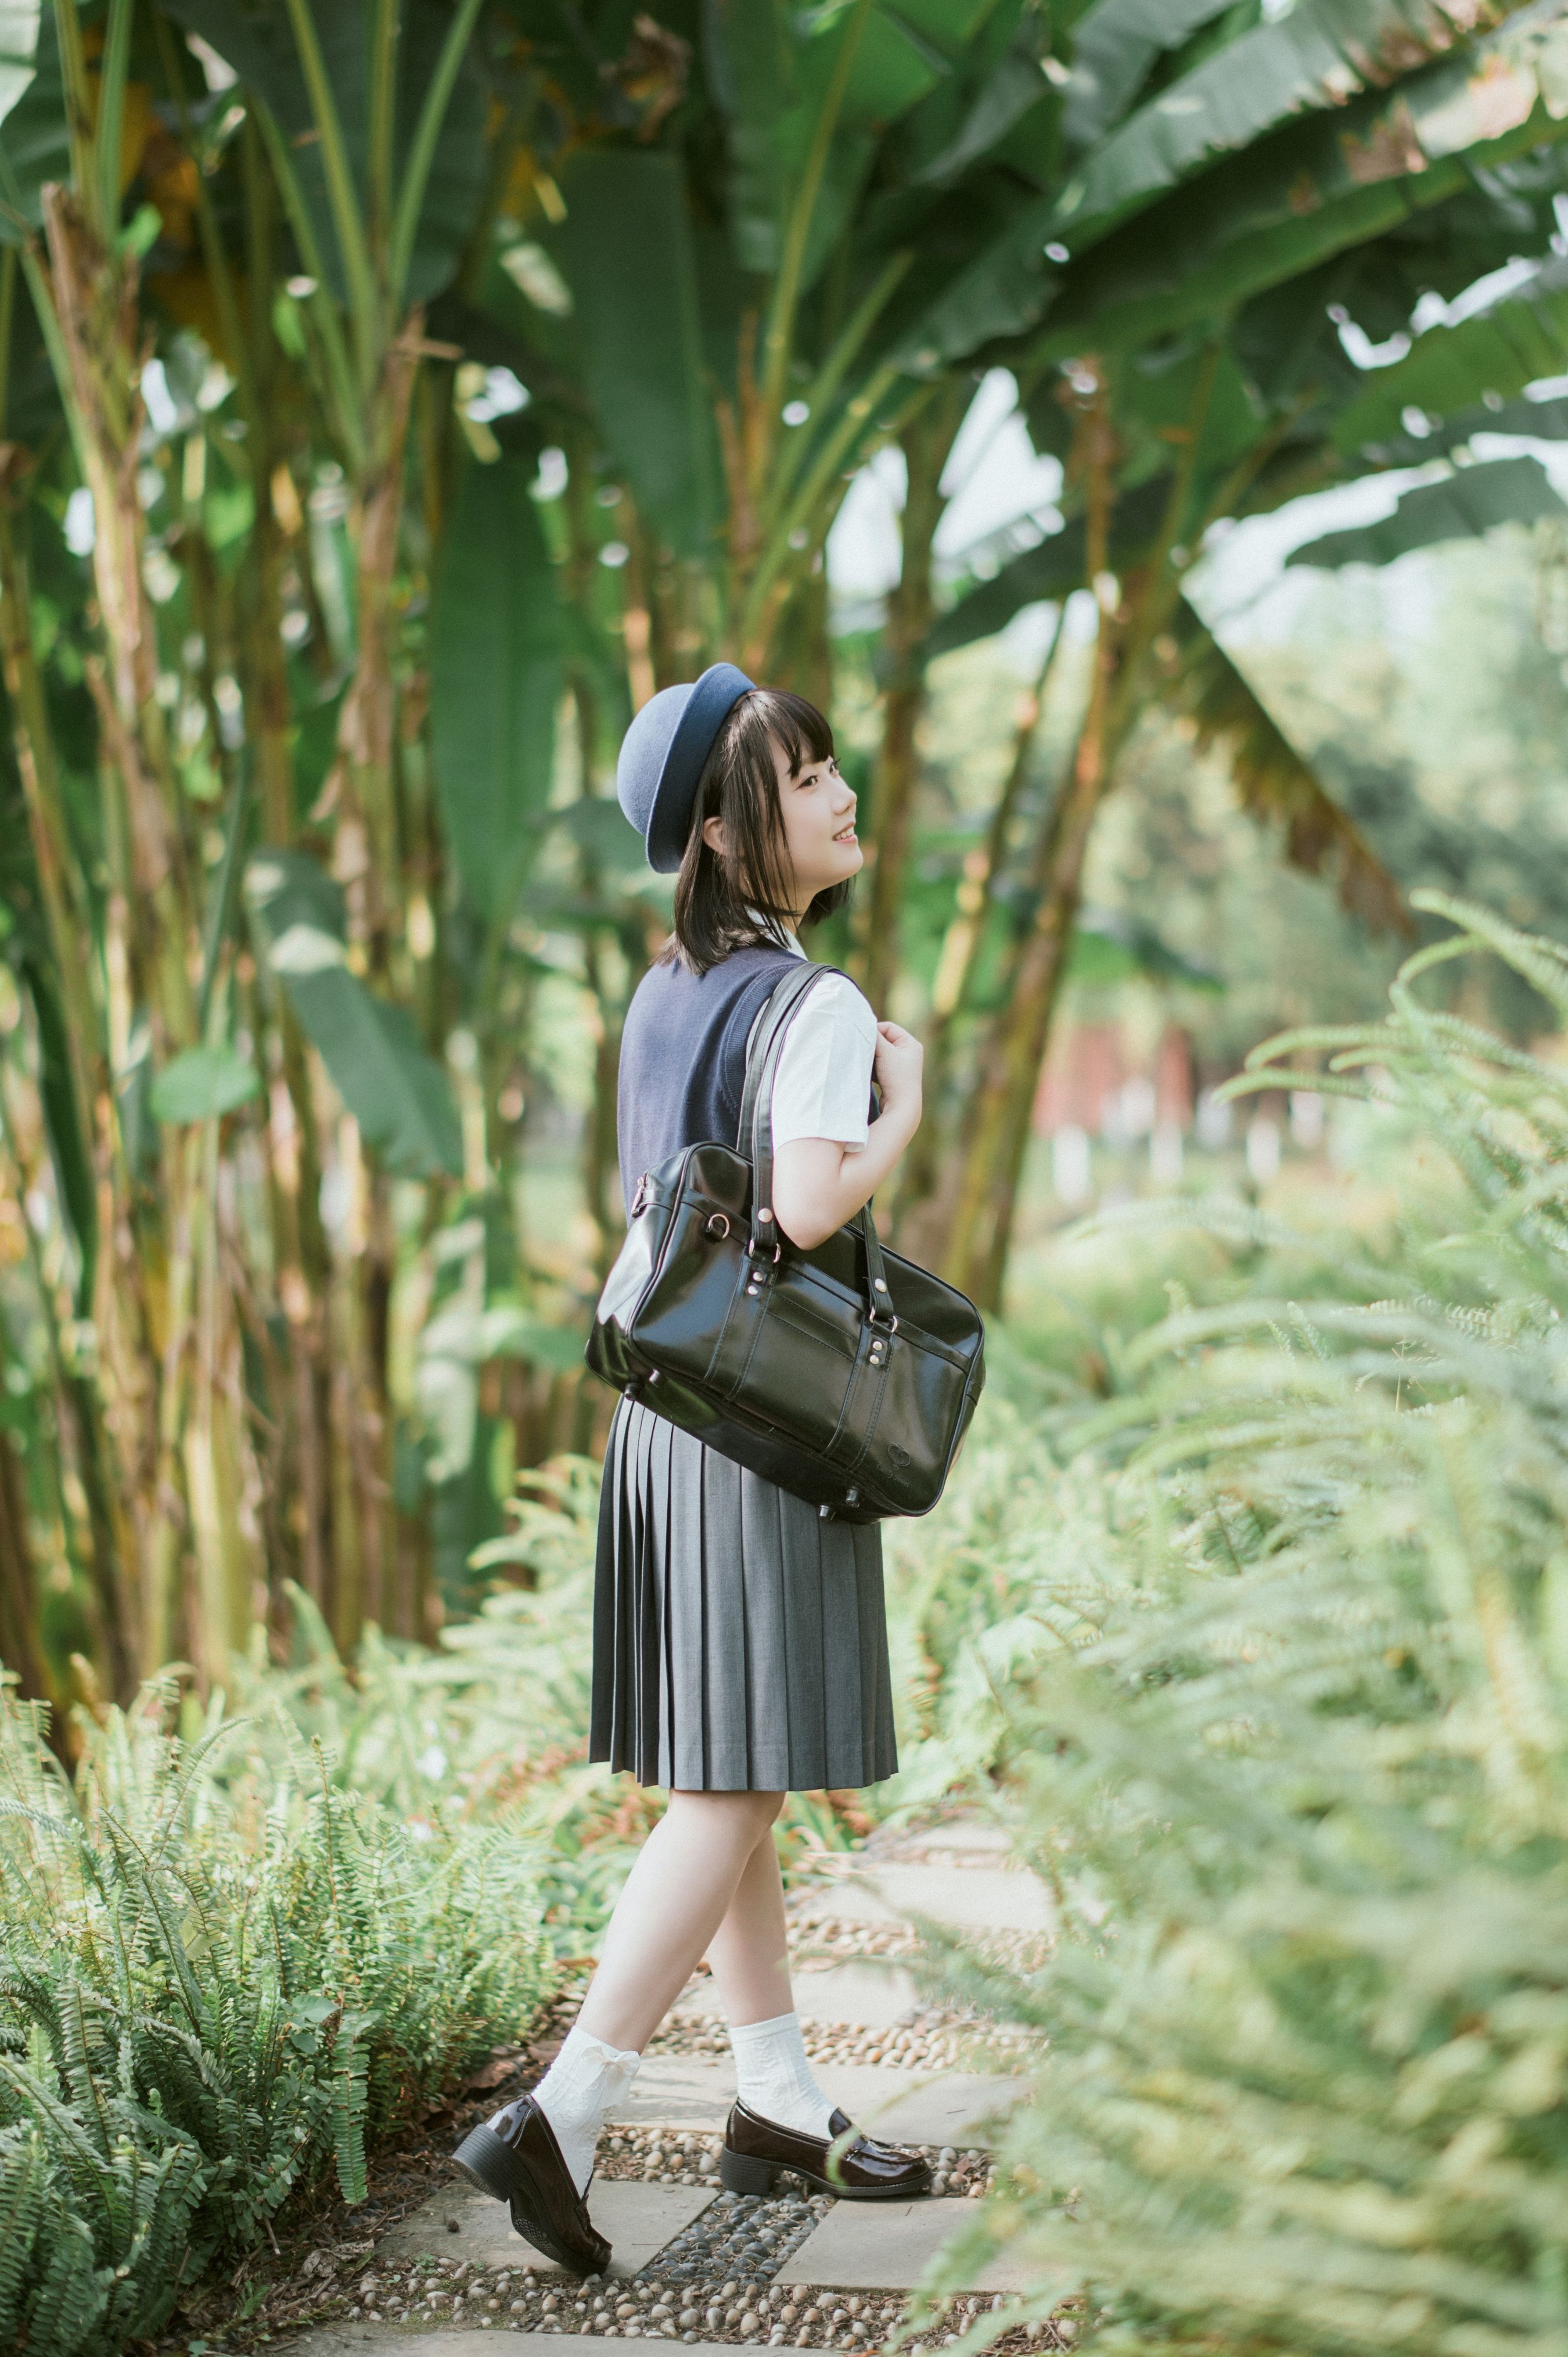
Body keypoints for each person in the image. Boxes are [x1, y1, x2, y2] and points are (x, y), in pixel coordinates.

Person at [455, 664, 931, 2276]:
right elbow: (802, 1208)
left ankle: (775, 2093)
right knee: (736, 1779)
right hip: (757, 1433)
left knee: (725, 1770)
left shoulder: (666, 991)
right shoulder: (814, 1003)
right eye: (807, 777)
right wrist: (904, 1110)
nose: (843, 788)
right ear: (736, 830)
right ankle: (568, 2108)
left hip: (659, 1419)